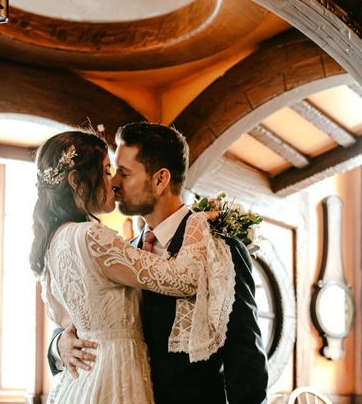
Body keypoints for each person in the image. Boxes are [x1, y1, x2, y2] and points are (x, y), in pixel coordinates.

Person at [50, 122, 269, 404]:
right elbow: (82, 315)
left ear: (160, 179)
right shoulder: (118, 252)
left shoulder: (220, 250)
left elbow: (246, 358)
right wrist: (58, 345)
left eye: (125, 173)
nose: (114, 182)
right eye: (114, 171)